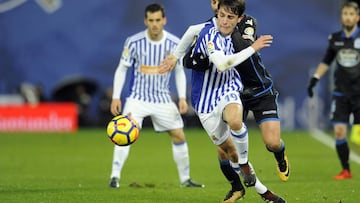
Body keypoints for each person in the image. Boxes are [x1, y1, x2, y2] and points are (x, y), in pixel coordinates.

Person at [160, 0, 290, 184]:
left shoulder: (246, 23)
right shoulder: (212, 26)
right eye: (217, 6)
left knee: (273, 143)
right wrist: (178, 56)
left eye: (229, 15)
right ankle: (237, 187)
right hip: (233, 90)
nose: (223, 17)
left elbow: (243, 47)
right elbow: (191, 35)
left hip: (258, 88)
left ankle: (280, 156)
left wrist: (214, 52)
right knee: (223, 150)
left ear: (238, 16)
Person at [108, 3, 204, 188]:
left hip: (163, 99)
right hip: (137, 98)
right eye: (151, 20)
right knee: (124, 133)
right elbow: (122, 69)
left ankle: (185, 180)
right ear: (145, 21)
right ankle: (114, 177)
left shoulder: (174, 43)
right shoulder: (133, 42)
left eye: (158, 20)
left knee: (179, 135)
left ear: (164, 20)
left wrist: (182, 98)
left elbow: (178, 71)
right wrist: (116, 97)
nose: (154, 24)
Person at [307, 1, 360, 180]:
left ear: (357, 17)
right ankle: (346, 170)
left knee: (358, 138)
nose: (348, 17)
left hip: (359, 94)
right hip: (341, 93)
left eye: (351, 14)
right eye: (345, 13)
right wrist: (315, 78)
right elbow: (326, 61)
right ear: (341, 17)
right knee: (339, 132)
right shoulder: (335, 38)